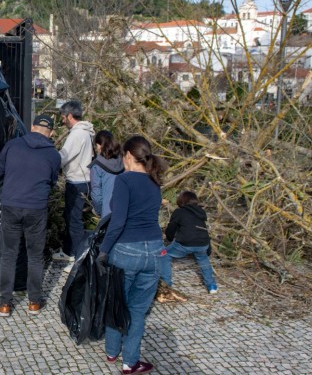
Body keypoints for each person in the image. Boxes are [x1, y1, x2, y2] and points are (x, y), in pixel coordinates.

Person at [98, 135, 167, 374]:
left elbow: (118, 222)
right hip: (156, 250)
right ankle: (130, 362)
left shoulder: (124, 181)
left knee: (117, 302)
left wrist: (104, 249)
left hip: (128, 249)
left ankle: (111, 351)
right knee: (138, 310)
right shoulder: (154, 182)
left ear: (128, 155)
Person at [0, 115, 61, 318]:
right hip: (36, 208)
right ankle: (34, 302)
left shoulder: (13, 145)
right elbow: (53, 181)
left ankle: (5, 303)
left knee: (8, 254)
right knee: (35, 256)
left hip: (11, 205)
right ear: (51, 133)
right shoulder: (53, 155)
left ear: (32, 127)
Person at [57, 100, 95, 262]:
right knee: (71, 217)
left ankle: (76, 258)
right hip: (83, 180)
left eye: (63, 117)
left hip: (76, 181)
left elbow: (64, 156)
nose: (62, 120)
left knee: (74, 220)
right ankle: (68, 251)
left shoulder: (77, 134)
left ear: (70, 116)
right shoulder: (86, 132)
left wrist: (49, 162)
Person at [162, 191, 218, 294]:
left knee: (164, 255)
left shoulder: (179, 212)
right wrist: (208, 250)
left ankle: (166, 284)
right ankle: (212, 286)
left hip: (185, 243)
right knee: (203, 259)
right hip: (203, 243)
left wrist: (169, 239)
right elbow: (203, 229)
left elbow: (171, 228)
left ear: (181, 200)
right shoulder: (201, 212)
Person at [89, 130, 124, 220]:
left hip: (108, 213)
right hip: (125, 209)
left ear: (100, 146)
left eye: (96, 146)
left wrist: (100, 211)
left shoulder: (97, 166)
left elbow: (97, 196)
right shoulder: (124, 160)